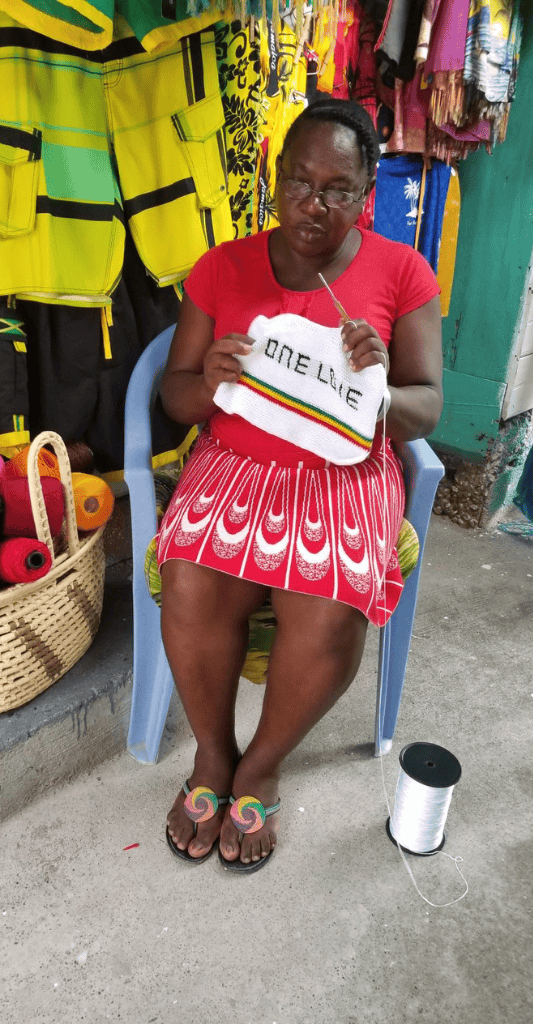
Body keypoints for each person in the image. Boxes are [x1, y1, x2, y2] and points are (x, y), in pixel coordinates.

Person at [156, 98, 443, 873]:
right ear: (274, 180)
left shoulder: (402, 273)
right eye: (297, 183)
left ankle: (263, 764)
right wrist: (210, 379)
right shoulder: (222, 266)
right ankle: (215, 754)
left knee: (331, 599)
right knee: (188, 573)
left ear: (367, 191)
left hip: (343, 470)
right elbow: (174, 394)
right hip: (236, 461)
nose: (312, 205)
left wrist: (379, 386)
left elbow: (427, 406)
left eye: (336, 189)